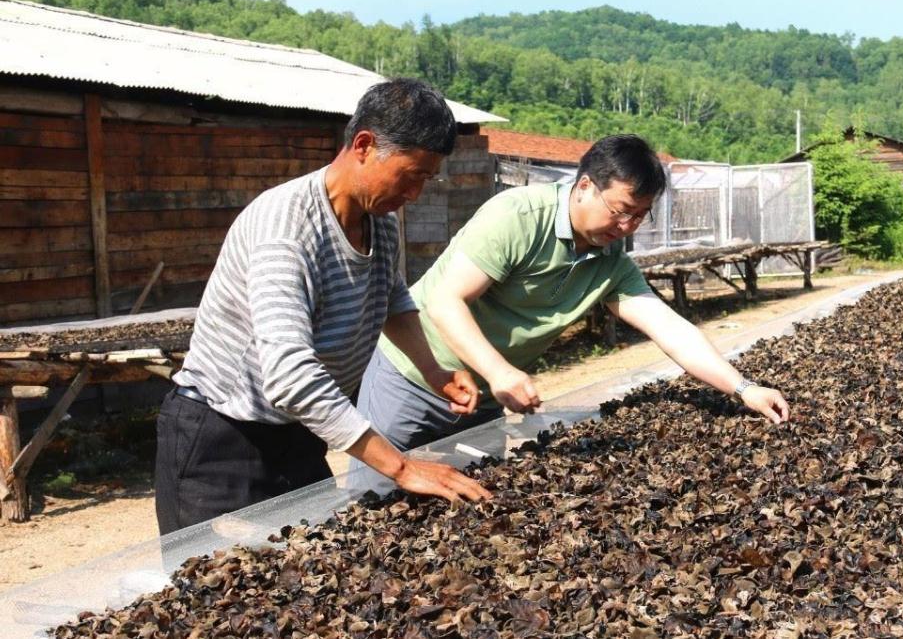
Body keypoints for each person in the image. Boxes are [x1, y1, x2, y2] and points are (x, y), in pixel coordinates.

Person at [155, 78, 490, 536]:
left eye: (427, 180)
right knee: (213, 592)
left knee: (307, 578)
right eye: (411, 175)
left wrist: (434, 372)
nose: (415, 194)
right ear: (365, 146)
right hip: (222, 439)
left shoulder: (380, 223)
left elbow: (392, 301)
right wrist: (401, 467)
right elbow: (291, 376)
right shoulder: (286, 227)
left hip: (299, 435)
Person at [353, 134, 790, 459]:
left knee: (457, 505)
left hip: (484, 398)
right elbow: (445, 301)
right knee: (373, 504)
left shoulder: (610, 260)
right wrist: (501, 372)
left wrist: (743, 387)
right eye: (620, 211)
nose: (625, 228)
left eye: (639, 217)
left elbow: (668, 327)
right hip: (413, 376)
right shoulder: (518, 217)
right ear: (584, 187)